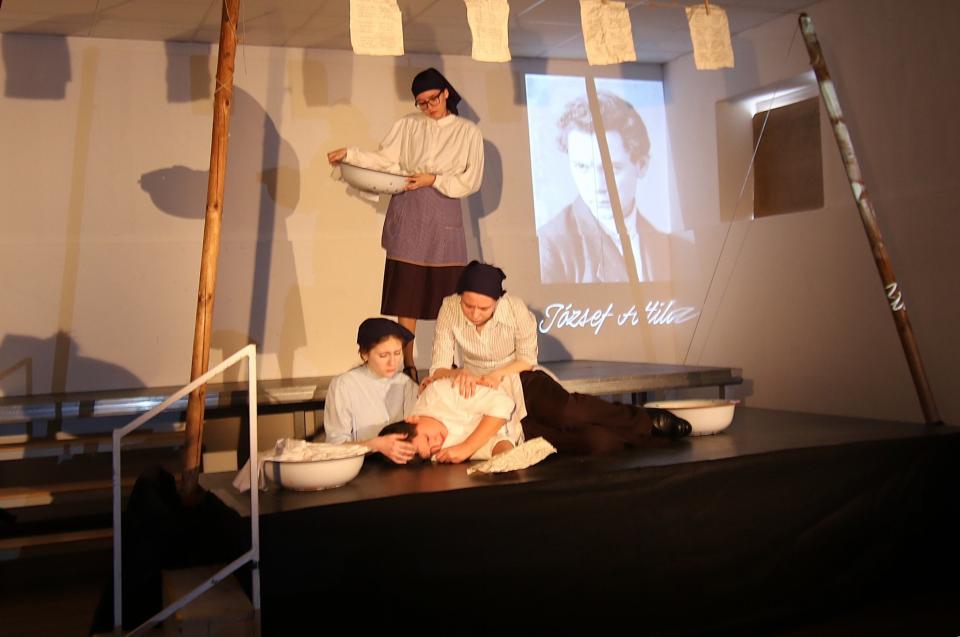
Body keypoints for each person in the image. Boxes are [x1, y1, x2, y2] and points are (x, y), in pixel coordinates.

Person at [423, 261, 691, 456]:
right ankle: (642, 439)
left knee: (569, 413)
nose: (474, 314)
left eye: (483, 308)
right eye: (468, 305)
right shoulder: (449, 307)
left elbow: (526, 359)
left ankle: (645, 420)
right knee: (596, 443)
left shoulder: (514, 308)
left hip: (520, 377)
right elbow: (439, 367)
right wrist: (460, 373)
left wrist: (497, 374)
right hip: (483, 394)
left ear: (498, 301)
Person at [327, 68, 484, 381]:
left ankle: (446, 363)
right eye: (422, 102)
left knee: (448, 297)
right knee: (407, 295)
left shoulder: (467, 132)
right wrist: (350, 154)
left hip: (443, 215)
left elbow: (472, 179)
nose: (429, 107)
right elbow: (385, 159)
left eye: (433, 99)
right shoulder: (408, 125)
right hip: (409, 211)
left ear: (446, 93)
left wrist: (434, 179)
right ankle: (408, 364)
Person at [537, 91, 670, 284]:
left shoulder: (668, 245)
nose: (597, 186)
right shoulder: (549, 247)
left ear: (641, 165)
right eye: (582, 167)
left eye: (611, 169)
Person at [322, 318, 419, 464]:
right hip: (359, 466)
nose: (393, 362)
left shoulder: (406, 384)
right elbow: (335, 446)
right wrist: (375, 445)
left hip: (399, 465)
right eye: (383, 355)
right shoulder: (344, 385)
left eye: (397, 353)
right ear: (365, 354)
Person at [381, 378, 519, 463]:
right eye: (431, 451)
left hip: (518, 391)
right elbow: (496, 444)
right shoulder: (436, 452)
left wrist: (467, 447)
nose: (436, 443)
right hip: (520, 436)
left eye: (428, 438)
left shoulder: (437, 393)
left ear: (412, 419)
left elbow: (503, 403)